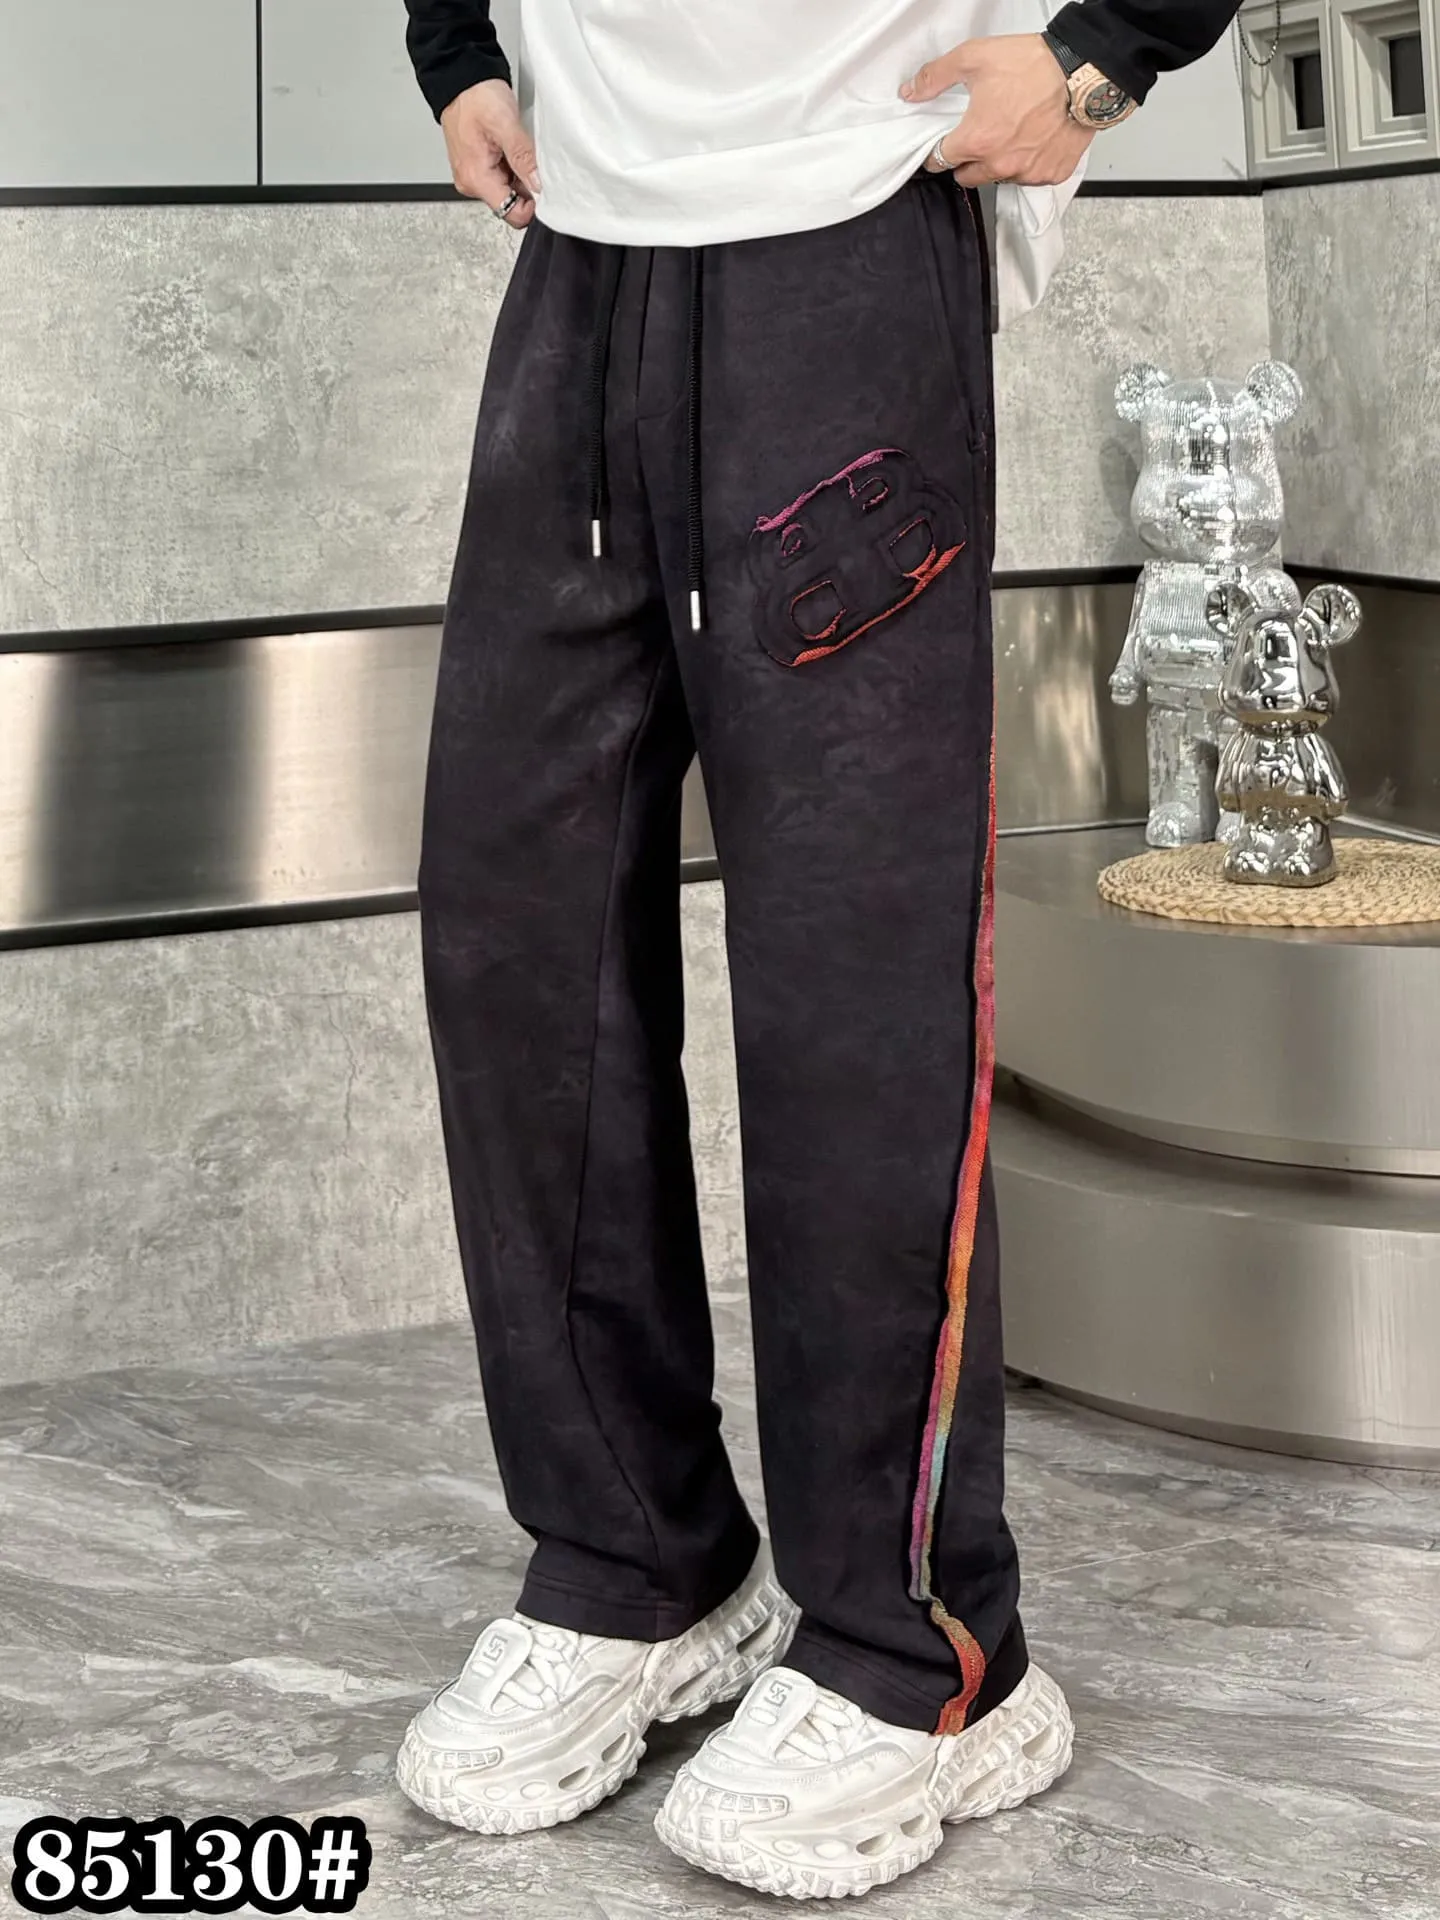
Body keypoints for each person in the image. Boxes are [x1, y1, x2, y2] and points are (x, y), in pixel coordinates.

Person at [396, 0, 1242, 1896]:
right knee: (516, 933)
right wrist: (453, 49)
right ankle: (634, 1562)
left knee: (852, 981)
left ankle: (918, 1644)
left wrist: (1105, 52)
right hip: (584, 261)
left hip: (850, 233)